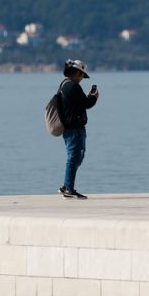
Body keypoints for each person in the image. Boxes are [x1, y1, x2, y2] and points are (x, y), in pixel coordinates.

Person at [58, 59, 98, 199]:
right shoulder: (73, 86)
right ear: (76, 72)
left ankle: (66, 185)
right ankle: (68, 188)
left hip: (71, 128)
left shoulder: (64, 85)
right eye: (81, 75)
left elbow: (79, 103)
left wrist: (88, 98)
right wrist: (94, 97)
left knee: (77, 157)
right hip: (74, 128)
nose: (82, 79)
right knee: (74, 157)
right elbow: (86, 104)